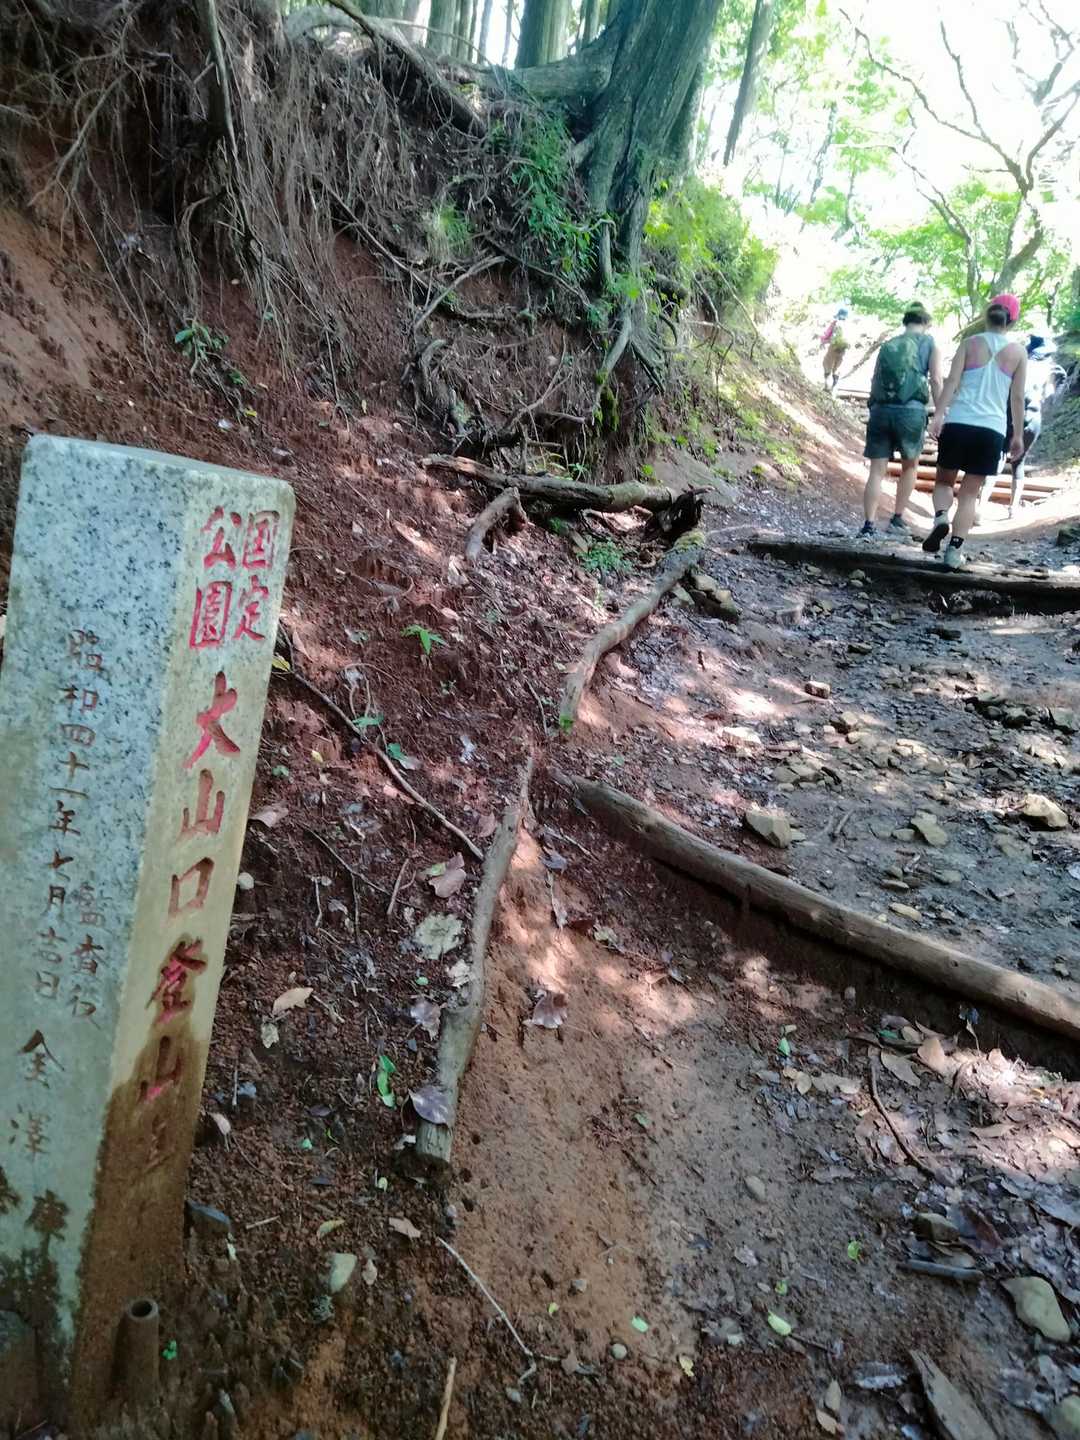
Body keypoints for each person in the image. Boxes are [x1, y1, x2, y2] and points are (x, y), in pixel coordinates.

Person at [924, 294, 1026, 568]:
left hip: (958, 422)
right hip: (991, 430)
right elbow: (1017, 397)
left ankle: (941, 516)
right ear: (1012, 320)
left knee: (944, 482)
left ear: (986, 315)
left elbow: (951, 382)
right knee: (969, 494)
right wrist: (1017, 435)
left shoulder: (969, 344)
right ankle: (954, 552)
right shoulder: (1018, 352)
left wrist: (939, 415)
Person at [856, 302, 942, 539]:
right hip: (911, 412)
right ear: (926, 323)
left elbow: (875, 379)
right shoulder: (929, 343)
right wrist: (940, 412)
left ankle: (868, 525)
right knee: (910, 466)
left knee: (876, 470)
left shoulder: (889, 344)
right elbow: (936, 379)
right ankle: (897, 518)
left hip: (881, 411)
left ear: (906, 321)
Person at [820, 306, 850, 390]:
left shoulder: (835, 323)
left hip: (833, 347)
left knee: (827, 363)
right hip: (843, 349)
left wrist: (823, 341)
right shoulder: (850, 325)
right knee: (837, 367)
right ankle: (833, 388)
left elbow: (827, 333)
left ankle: (826, 386)